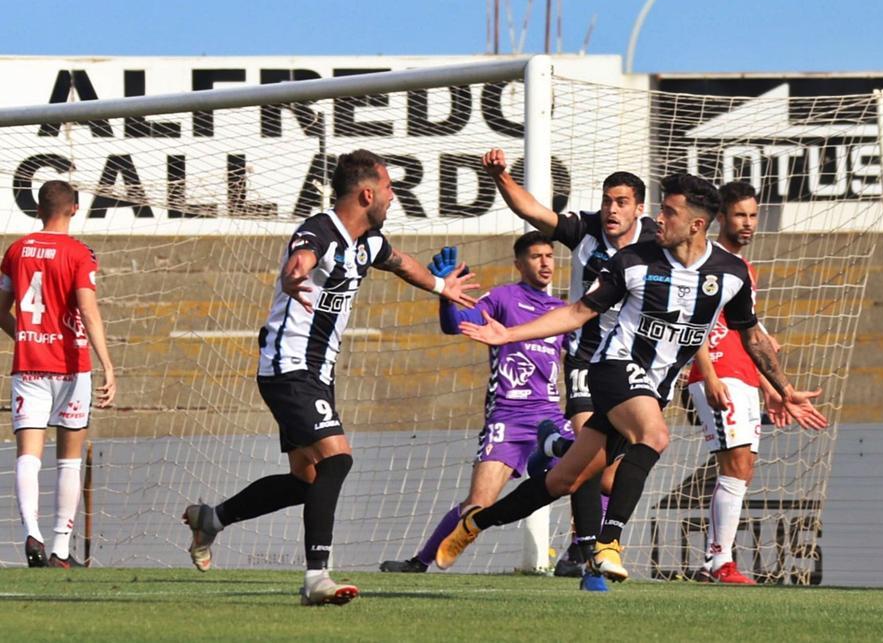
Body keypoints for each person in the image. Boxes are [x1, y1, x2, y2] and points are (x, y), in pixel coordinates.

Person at [436, 173, 827, 584]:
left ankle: (475, 524)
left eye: (669, 212)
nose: (659, 219)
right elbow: (578, 312)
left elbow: (752, 337)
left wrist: (783, 389)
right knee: (655, 437)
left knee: (566, 479)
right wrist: (509, 333)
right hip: (611, 368)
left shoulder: (731, 274)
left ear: (696, 224)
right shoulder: (635, 261)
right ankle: (609, 543)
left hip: (655, 388)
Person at [180, 150, 477, 606]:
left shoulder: (369, 241)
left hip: (317, 373)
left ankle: (212, 519)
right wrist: (292, 274)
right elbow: (300, 258)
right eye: (389, 188)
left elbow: (400, 262)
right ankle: (317, 576)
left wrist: (442, 287)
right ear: (366, 193)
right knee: (337, 460)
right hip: (288, 367)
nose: (393, 196)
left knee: (306, 479)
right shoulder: (319, 230)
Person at [482, 147, 655, 577]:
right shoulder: (586, 229)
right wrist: (502, 178)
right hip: (584, 357)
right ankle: (586, 549)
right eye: (607, 200)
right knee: (589, 455)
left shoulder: (656, 243)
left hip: (631, 364)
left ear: (639, 208)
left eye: (621, 202)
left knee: (610, 471)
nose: (611, 210)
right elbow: (536, 213)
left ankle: (556, 448)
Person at [379, 233, 572, 573]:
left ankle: (583, 556)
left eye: (549, 256)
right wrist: (445, 298)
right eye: (535, 256)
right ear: (518, 264)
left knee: (598, 474)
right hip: (508, 419)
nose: (544, 263)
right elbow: (454, 325)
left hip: (550, 417)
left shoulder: (562, 312)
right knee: (478, 504)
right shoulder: (503, 298)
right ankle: (420, 562)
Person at [0, 180, 117, 569]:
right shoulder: (80, 253)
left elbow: (1, 307)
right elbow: (88, 310)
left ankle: (30, 531)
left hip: (29, 365)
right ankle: (60, 549)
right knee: (68, 459)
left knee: (28, 455)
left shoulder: (16, 251)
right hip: (71, 366)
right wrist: (108, 365)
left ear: (37, 210)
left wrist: (27, 336)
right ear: (74, 208)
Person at [686, 181, 784, 585]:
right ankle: (718, 561)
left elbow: (748, 334)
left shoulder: (744, 269)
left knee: (743, 468)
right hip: (717, 371)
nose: (747, 223)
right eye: (739, 215)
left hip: (742, 373)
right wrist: (707, 375)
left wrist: (772, 386)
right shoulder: (708, 261)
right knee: (735, 464)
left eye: (753, 215)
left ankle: (718, 561)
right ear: (720, 218)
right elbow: (692, 322)